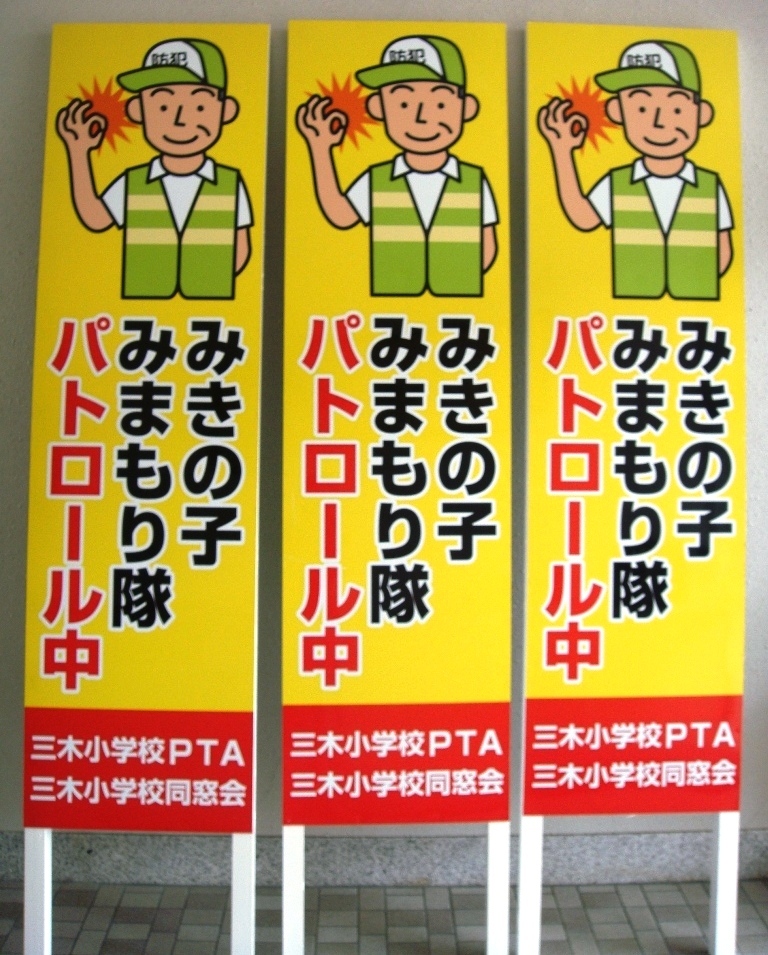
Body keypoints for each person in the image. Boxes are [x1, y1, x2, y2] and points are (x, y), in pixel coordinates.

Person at [296, 35, 498, 298]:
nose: (421, 117)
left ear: (466, 108)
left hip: (459, 306)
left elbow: (488, 244)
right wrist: (320, 149)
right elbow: (341, 215)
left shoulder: (474, 180)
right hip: (386, 303)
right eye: (403, 104)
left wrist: (462, 275)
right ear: (378, 107)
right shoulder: (377, 178)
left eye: (439, 104)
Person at [56, 38, 252, 300]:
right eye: (163, 107)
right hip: (139, 306)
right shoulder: (134, 181)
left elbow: (241, 246)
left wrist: (213, 277)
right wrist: (78, 152)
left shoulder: (230, 182)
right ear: (137, 110)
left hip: (212, 306)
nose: (180, 120)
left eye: (199, 107)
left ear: (226, 111)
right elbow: (96, 218)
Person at [538, 40, 733, 300]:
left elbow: (723, 248)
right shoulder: (618, 182)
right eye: (641, 108)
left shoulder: (710, 185)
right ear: (617, 111)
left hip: (694, 307)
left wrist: (699, 283)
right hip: (627, 305)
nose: (659, 122)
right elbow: (584, 217)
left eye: (676, 109)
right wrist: (562, 151)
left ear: (702, 114)